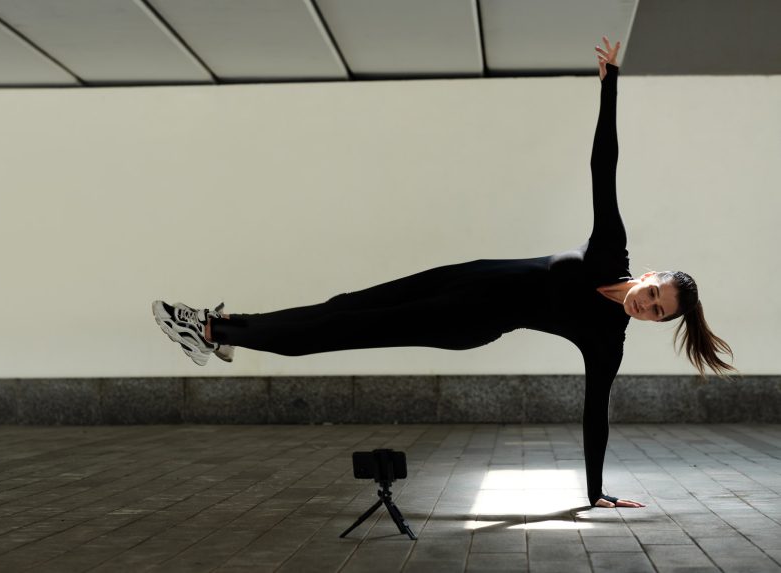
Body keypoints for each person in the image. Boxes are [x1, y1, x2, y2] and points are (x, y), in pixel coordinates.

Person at [152, 37, 735, 509]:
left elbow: (594, 416)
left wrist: (595, 492)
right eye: (654, 294)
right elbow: (602, 166)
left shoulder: (607, 338)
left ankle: (209, 332)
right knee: (342, 305)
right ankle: (227, 329)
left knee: (343, 331)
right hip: (459, 275)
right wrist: (610, 90)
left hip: (464, 317)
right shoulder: (612, 252)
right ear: (650, 275)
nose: (647, 306)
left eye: (658, 312)